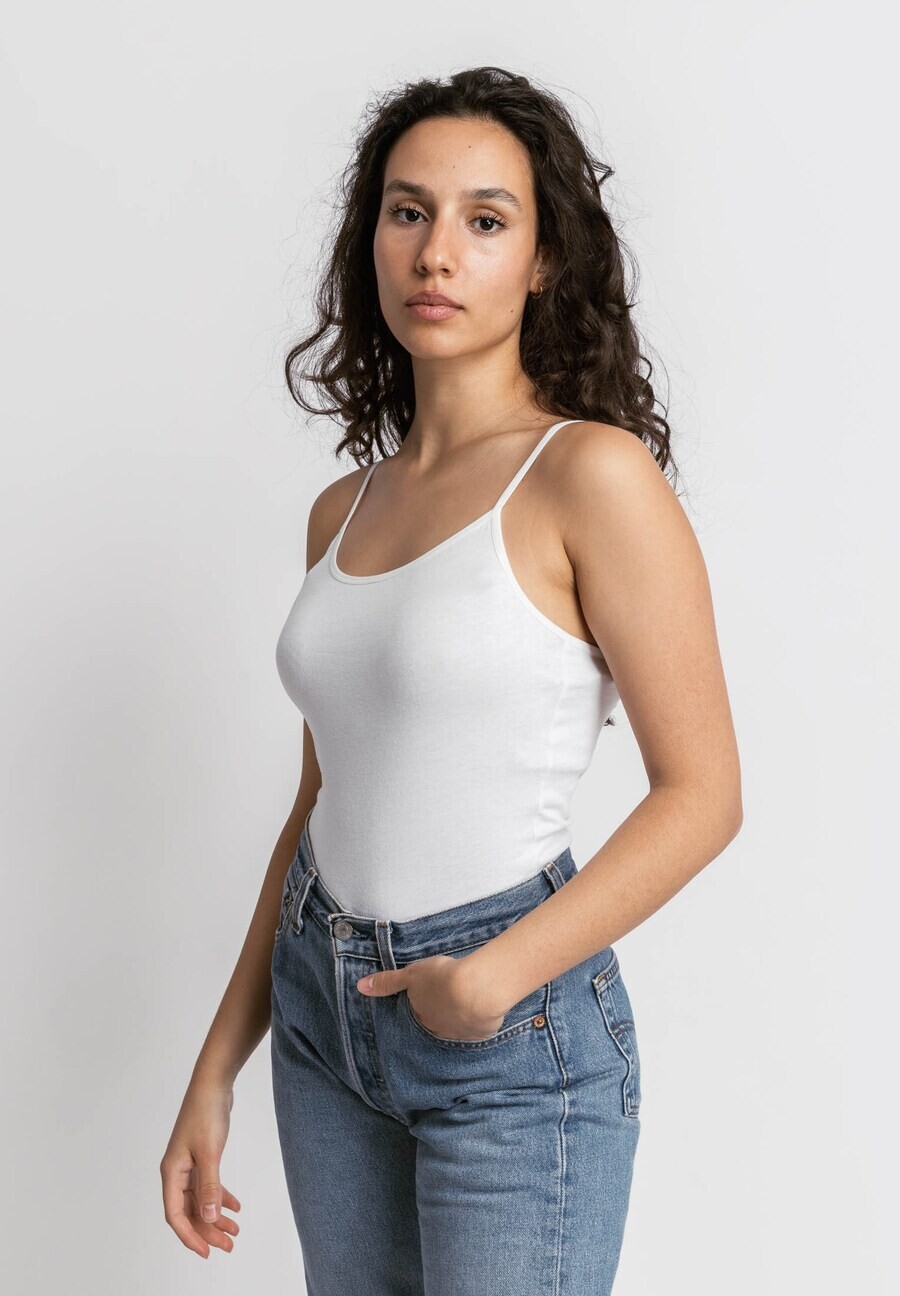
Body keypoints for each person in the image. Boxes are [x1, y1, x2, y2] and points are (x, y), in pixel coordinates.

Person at [161, 65, 742, 1294]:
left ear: (543, 259)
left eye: (485, 220)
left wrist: (493, 975)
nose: (437, 253)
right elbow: (320, 801)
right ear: (371, 239)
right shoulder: (342, 511)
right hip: (321, 1020)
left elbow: (703, 796)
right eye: (408, 212)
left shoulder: (590, 477)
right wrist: (217, 1066)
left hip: (507, 1036)